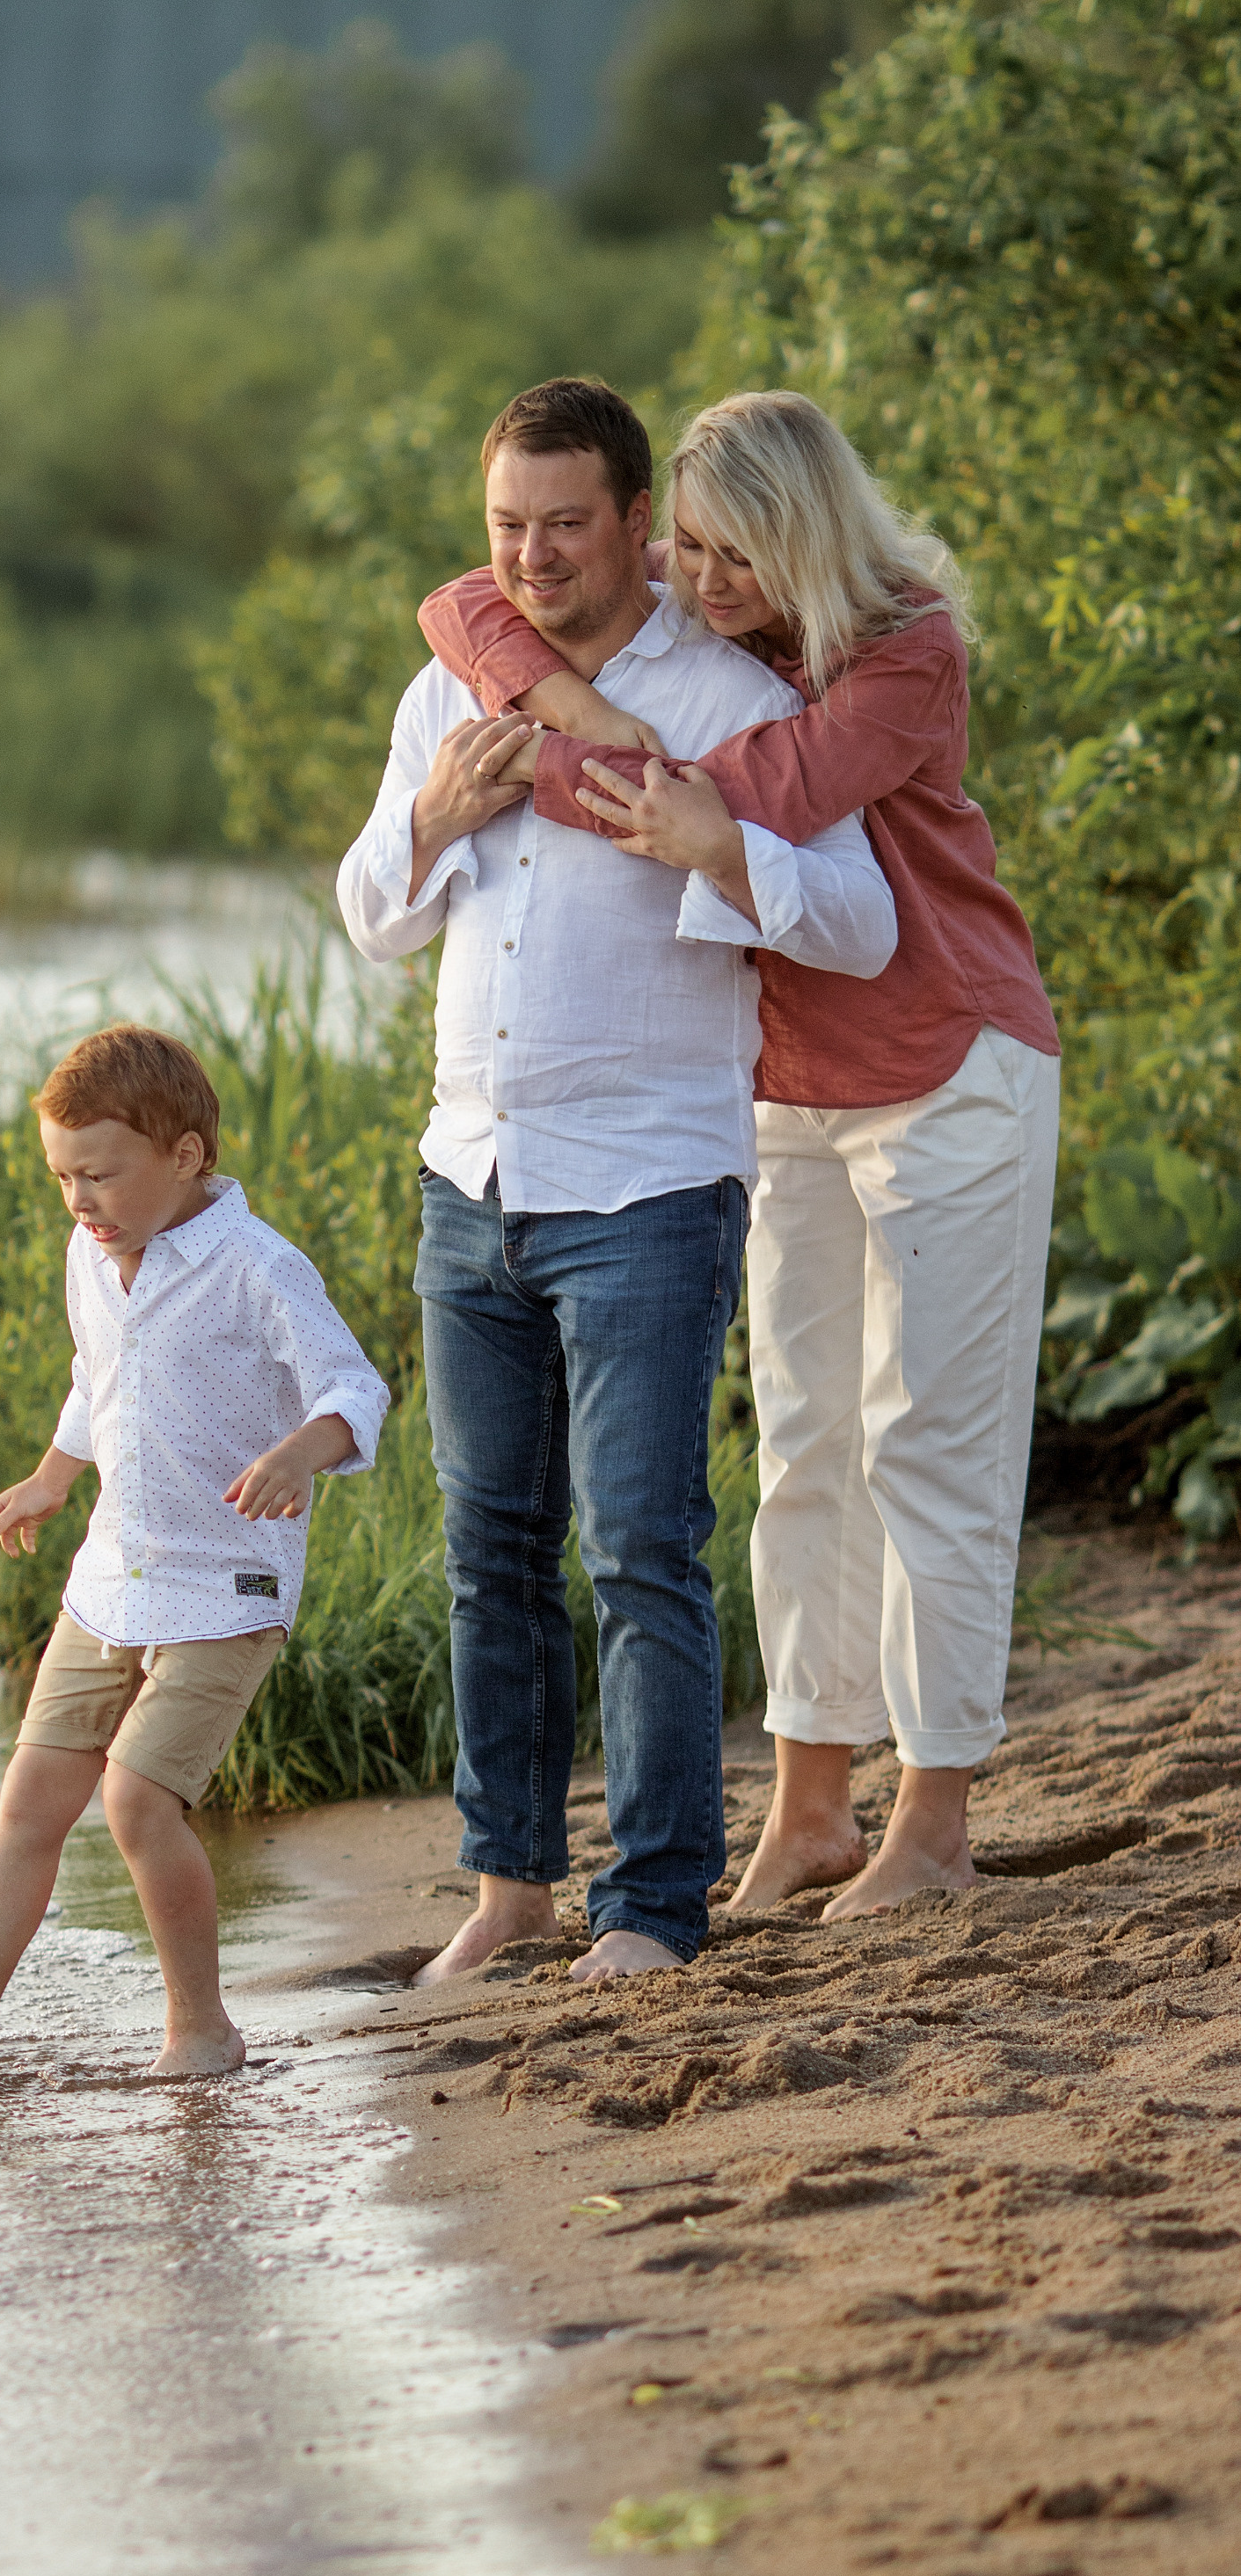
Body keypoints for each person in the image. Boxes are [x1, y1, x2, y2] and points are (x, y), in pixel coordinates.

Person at [418, 389, 1061, 1918]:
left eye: (731, 556)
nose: (697, 584)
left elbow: (726, 802)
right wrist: (562, 697)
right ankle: (812, 1803)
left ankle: (935, 1818)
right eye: (686, 552)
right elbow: (458, 600)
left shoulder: (903, 652)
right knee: (801, 1450)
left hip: (946, 1064)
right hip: (778, 1082)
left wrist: (527, 745)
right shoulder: (714, 630)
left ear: (803, 538)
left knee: (931, 1443)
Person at [336, 377, 898, 1988]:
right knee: (487, 1554)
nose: (531, 557)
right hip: (469, 1178)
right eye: (505, 526)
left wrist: (716, 846)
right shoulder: (447, 689)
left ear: (637, 524)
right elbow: (370, 917)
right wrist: (433, 817)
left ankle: (650, 1903)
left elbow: (860, 925)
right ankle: (509, 1886)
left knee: (642, 1546)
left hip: (648, 1185)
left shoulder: (729, 700)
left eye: (564, 524)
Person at [0, 1022, 389, 2085]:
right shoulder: (92, 1254)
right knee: (31, 1795)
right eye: (62, 1177)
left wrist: (299, 1452)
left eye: (101, 1175)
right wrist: (51, 1476)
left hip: (228, 1584)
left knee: (135, 1801)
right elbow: (99, 1378)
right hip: (112, 1575)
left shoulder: (258, 1267)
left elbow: (354, 1388)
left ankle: (200, 2029)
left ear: (184, 1156)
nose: (79, 1200)